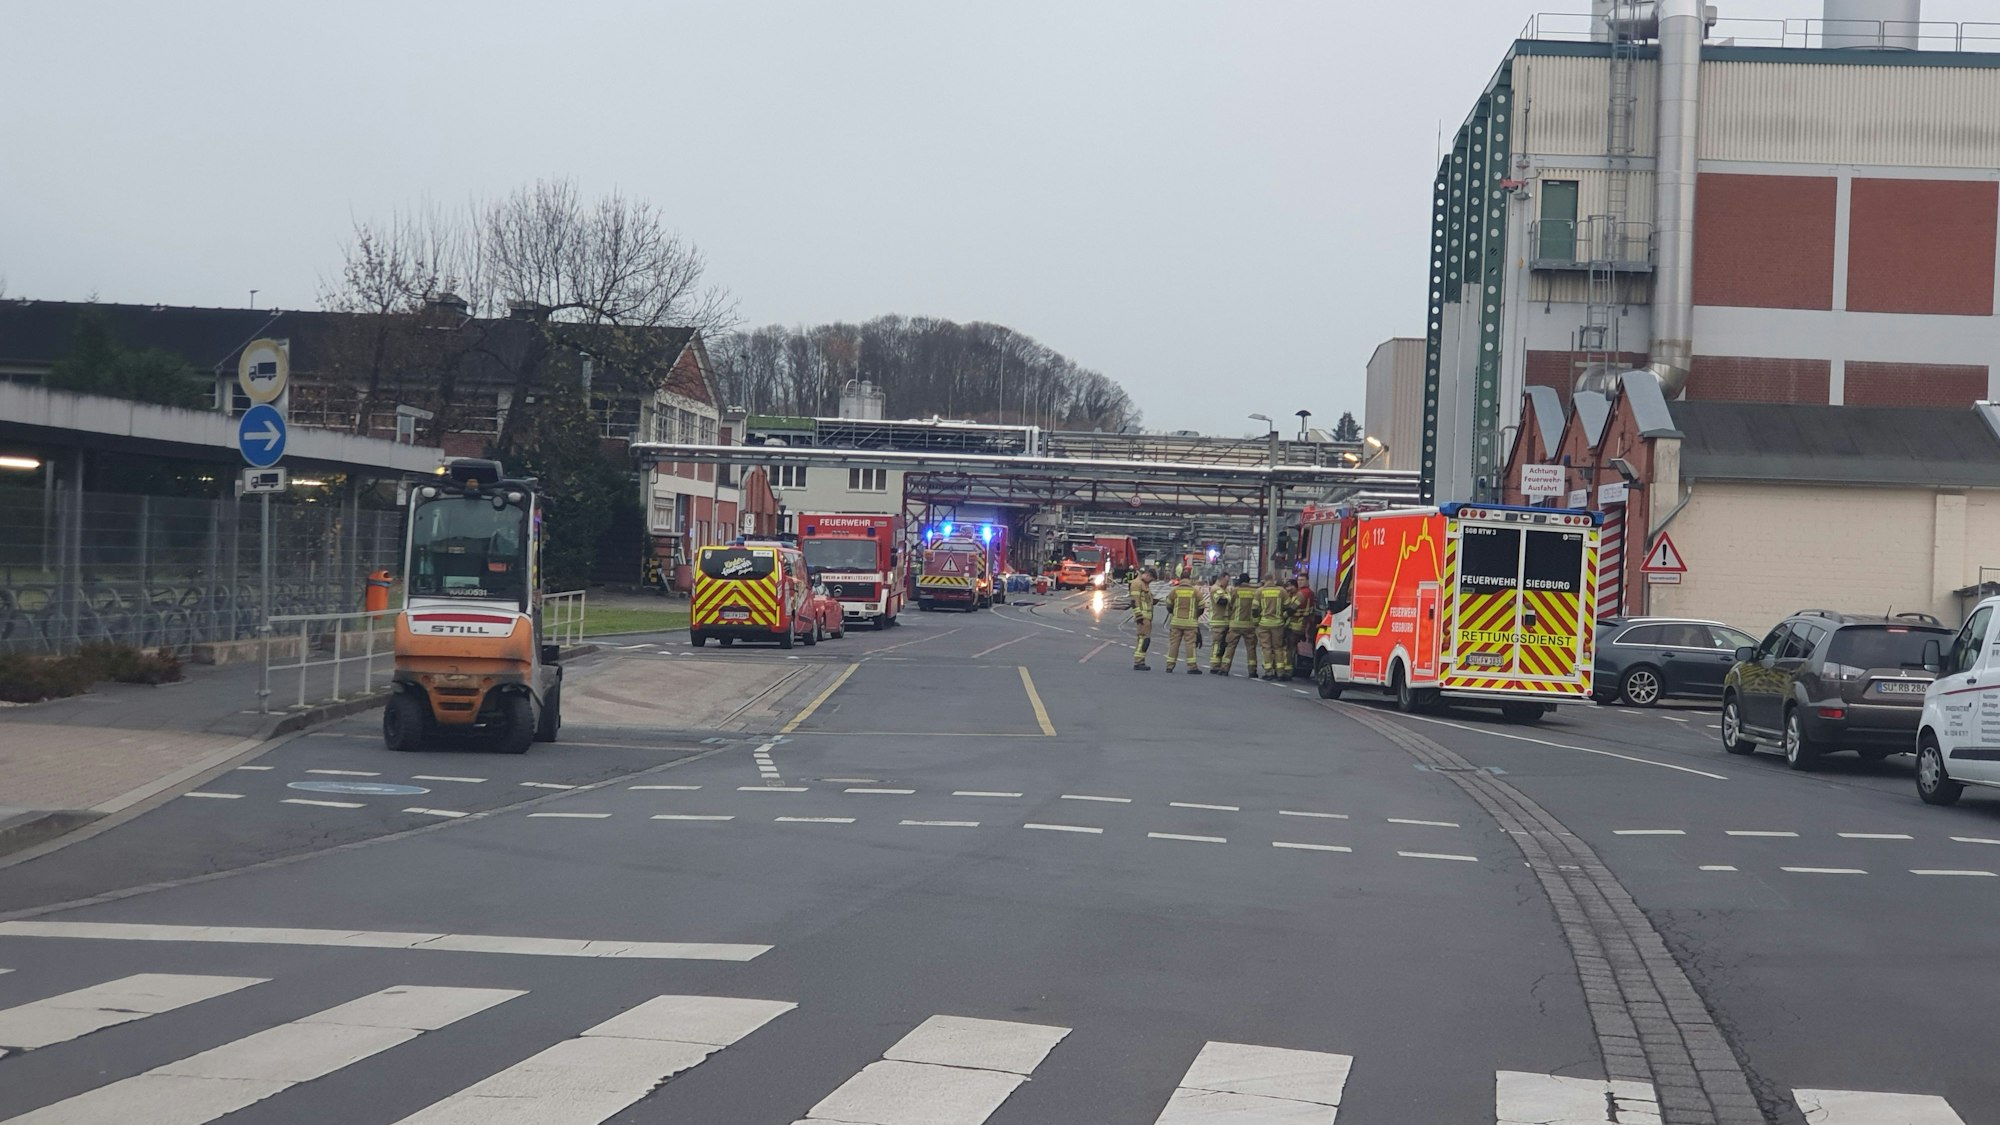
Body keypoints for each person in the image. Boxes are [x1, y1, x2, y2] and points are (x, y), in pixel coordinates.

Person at [1217, 572, 1261, 677]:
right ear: (1249, 580)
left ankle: (1224, 669)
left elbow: (1230, 605)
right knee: (1251, 648)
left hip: (1235, 624)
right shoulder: (1254, 592)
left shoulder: (1235, 591)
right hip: (1250, 625)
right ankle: (1252, 671)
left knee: (1230, 647)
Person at [1164, 573, 1203, 674]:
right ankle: (1192, 667)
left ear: (1180, 579)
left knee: (1174, 644)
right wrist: (1195, 616)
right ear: (1189, 579)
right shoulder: (1195, 592)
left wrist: (1174, 613)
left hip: (1176, 622)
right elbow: (1202, 607)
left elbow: (1168, 605)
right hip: (1190, 623)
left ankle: (1169, 666)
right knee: (1190, 645)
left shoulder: (1174, 591)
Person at [1257, 573, 1289, 680]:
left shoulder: (1260, 591)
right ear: (1273, 580)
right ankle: (1280, 672)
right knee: (1278, 648)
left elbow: (1254, 609)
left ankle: (1268, 672)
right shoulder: (1282, 591)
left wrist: (1257, 621)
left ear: (1264, 580)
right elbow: (1289, 607)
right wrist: (1283, 617)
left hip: (1264, 623)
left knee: (1266, 648)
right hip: (1278, 624)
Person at [1130, 567, 1156, 671]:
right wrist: (1139, 616)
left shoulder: (1144, 584)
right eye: (1151, 579)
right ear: (1147, 575)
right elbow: (1134, 601)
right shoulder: (1137, 584)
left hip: (1147, 618)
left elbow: (1145, 600)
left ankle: (1141, 660)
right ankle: (1138, 661)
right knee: (1143, 639)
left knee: (1145, 639)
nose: (1151, 582)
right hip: (1143, 617)